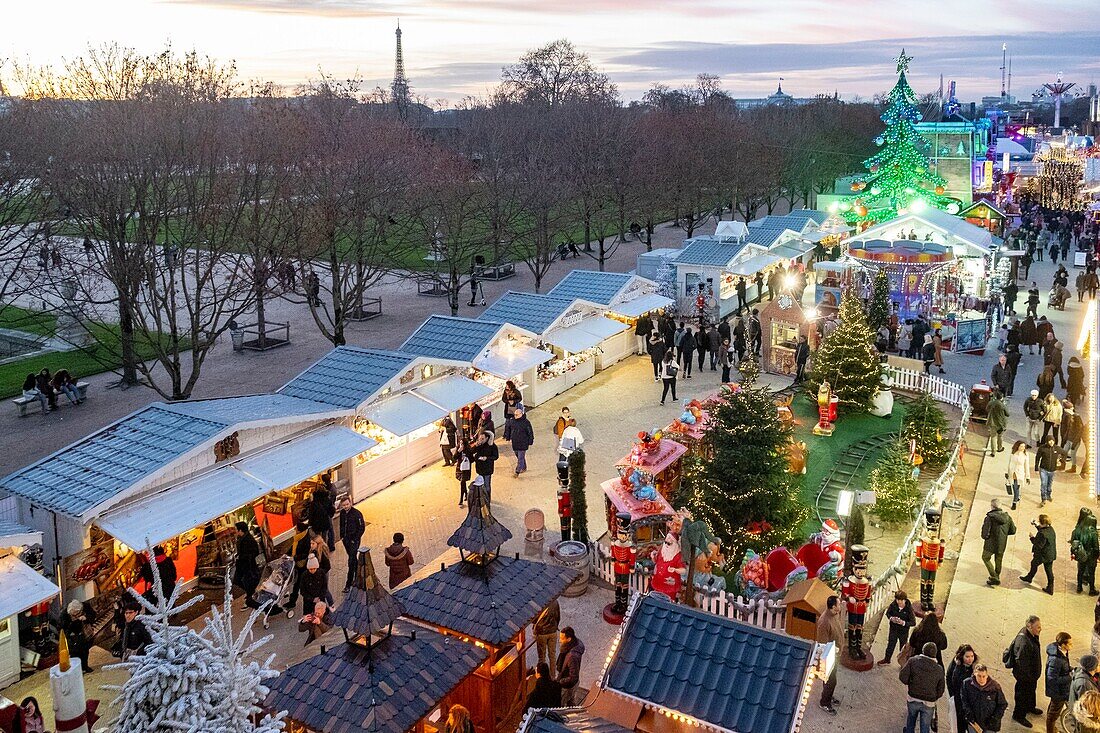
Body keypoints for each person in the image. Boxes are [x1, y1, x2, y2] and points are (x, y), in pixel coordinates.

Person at [899, 641, 946, 733]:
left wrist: (911, 684)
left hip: (913, 697)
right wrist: (934, 696)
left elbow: (903, 677)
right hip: (929, 702)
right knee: (925, 726)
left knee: (911, 719)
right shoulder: (939, 669)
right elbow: (941, 689)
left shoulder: (913, 661)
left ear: (923, 651)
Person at [1008, 615, 1044, 728]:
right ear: (1029, 626)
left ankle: (1030, 707)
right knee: (1022, 695)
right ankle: (1019, 715)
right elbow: (1022, 664)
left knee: (1030, 692)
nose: (1040, 629)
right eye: (1037, 627)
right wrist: (1029, 677)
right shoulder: (1024, 642)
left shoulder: (1032, 634)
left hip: (1031, 676)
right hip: (1025, 677)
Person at [960, 664, 1009, 733]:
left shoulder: (995, 687)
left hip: (990, 725)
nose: (982, 679)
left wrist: (995, 718)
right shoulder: (967, 684)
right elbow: (964, 700)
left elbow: (1002, 704)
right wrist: (968, 713)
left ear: (987, 675)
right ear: (974, 674)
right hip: (974, 723)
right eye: (979, 676)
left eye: (984, 676)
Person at [816, 595, 844, 715]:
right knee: (831, 681)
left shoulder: (835, 614)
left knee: (830, 681)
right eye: (838, 604)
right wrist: (835, 651)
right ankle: (824, 703)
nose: (840, 605)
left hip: (836, 654)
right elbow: (822, 645)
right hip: (830, 656)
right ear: (833, 607)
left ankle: (828, 695)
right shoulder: (824, 622)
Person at [983, 497, 1017, 585]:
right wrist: (1004, 534)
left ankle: (994, 577)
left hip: (990, 544)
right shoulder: (1008, 517)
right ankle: (996, 576)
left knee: (985, 558)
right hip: (1002, 543)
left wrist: (985, 537)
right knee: (998, 560)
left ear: (992, 507)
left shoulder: (989, 517)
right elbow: (1013, 530)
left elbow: (984, 533)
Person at [1021, 514, 1058, 594]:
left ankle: (1029, 578)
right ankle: (1050, 587)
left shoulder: (1042, 534)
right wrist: (1036, 525)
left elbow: (1038, 545)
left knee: (1034, 563)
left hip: (1043, 555)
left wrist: (1032, 538)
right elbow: (1043, 531)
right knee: (1049, 570)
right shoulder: (1050, 529)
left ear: (1042, 523)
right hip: (1050, 554)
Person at [877, 590, 916, 664]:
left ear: (904, 600)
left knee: (903, 647)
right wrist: (891, 618)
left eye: (900, 600)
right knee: (890, 645)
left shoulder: (909, 609)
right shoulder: (893, 605)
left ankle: (903, 662)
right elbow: (888, 613)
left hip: (903, 631)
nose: (898, 602)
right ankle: (887, 659)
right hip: (893, 629)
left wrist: (903, 623)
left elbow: (913, 622)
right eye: (897, 600)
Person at [946, 645, 978, 733]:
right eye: (967, 657)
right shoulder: (957, 668)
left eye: (972, 656)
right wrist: (952, 695)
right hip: (959, 702)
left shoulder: (975, 669)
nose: (970, 659)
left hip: (971, 704)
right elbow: (949, 678)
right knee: (959, 725)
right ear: (962, 657)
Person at [60, 599, 97, 673]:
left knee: (85, 651)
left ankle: (85, 666)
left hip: (85, 634)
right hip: (73, 637)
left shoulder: (85, 606)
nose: (76, 615)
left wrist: (86, 618)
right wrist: (74, 622)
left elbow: (93, 615)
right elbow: (65, 629)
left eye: (78, 613)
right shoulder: (64, 615)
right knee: (75, 654)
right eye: (74, 614)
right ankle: (77, 669)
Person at [1047, 632, 1074, 733]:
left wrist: (1071, 669)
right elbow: (1052, 679)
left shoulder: (1063, 653)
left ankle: (1052, 728)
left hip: (1060, 690)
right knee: (1053, 714)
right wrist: (1069, 677)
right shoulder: (1056, 659)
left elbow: (1064, 668)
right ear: (1063, 645)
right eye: (1070, 644)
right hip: (1058, 691)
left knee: (1053, 710)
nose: (1072, 646)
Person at [338, 495, 365, 591]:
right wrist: (342, 536)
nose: (345, 506)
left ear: (350, 503)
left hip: (354, 540)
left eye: (347, 504)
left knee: (351, 560)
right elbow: (341, 524)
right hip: (346, 540)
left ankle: (348, 584)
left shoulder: (357, 514)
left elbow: (362, 527)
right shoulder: (342, 513)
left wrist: (355, 538)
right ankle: (360, 575)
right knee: (353, 560)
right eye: (344, 505)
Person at [233, 521, 262, 608]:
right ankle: (250, 594)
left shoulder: (249, 539)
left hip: (248, 566)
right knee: (237, 580)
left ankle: (250, 599)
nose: (235, 531)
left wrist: (243, 557)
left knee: (247, 582)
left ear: (240, 530)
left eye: (236, 529)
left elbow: (255, 552)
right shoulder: (240, 538)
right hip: (242, 565)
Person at [1073, 508, 1100, 596]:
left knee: (1080, 571)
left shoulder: (1077, 530)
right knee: (1091, 574)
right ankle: (1091, 590)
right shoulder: (1093, 533)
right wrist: (1097, 556)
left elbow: (1074, 541)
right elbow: (1096, 548)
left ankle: (1079, 587)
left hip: (1081, 555)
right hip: (1091, 556)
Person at [556, 626, 585, 707]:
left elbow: (573, 677)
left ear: (569, 639)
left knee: (560, 705)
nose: (559, 641)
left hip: (567, 686)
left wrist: (561, 681)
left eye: (562, 638)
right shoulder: (574, 644)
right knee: (571, 701)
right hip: (571, 684)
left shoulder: (572, 656)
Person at [1035, 438, 1065, 507]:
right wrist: (1036, 468)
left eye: (1053, 441)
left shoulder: (1056, 448)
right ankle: (1043, 499)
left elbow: (1064, 453)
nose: (1051, 442)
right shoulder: (1042, 448)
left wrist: (1061, 460)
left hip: (1052, 470)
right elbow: (1037, 458)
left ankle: (1048, 495)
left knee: (1049, 484)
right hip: (1043, 469)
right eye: (1050, 440)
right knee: (1043, 484)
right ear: (1047, 441)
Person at [308, 483, 336, 552]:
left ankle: (319, 551)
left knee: (317, 538)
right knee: (324, 537)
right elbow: (332, 510)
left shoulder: (314, 502)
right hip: (325, 522)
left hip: (316, 524)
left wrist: (310, 523)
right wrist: (329, 515)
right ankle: (324, 550)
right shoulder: (327, 499)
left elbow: (311, 514)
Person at [534, 597, 560, 668]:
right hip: (553, 632)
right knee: (552, 656)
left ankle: (542, 675)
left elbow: (534, 620)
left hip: (542, 633)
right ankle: (553, 676)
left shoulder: (539, 604)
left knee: (542, 657)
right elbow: (558, 616)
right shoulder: (555, 602)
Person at [474, 430, 499, 498]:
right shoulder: (478, 445)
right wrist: (475, 446)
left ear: (487, 438)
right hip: (479, 468)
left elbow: (496, 456)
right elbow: (473, 453)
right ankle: (483, 498)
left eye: (482, 439)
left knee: (487, 485)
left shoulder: (492, 446)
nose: (481, 440)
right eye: (480, 438)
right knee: (481, 485)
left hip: (488, 469)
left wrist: (487, 458)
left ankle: (487, 499)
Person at [510, 408, 535, 476]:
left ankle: (517, 471)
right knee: (518, 455)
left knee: (520, 457)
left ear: (521, 414)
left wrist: (530, 440)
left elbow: (530, 432)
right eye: (515, 414)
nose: (515, 416)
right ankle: (523, 467)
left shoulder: (526, 422)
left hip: (523, 442)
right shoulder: (513, 421)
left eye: (517, 415)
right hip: (515, 442)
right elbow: (510, 429)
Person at [1063, 402, 1085, 473]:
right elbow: (1069, 428)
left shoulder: (1077, 417)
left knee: (1073, 454)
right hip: (1069, 439)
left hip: (1074, 440)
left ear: (1071, 408)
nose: (1066, 410)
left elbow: (1080, 430)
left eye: (1067, 409)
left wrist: (1075, 442)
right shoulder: (1069, 416)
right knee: (1064, 451)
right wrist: (1065, 438)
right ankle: (1062, 465)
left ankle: (1073, 467)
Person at [986, 389, 1008, 455]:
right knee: (1000, 436)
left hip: (992, 422)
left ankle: (993, 452)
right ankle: (999, 448)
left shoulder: (991, 402)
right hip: (1000, 423)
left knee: (993, 437)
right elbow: (1007, 414)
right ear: (1002, 397)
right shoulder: (1002, 405)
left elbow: (987, 409)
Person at [455, 439, 473, 506]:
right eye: (460, 443)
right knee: (463, 483)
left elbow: (472, 460)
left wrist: (467, 456)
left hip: (466, 469)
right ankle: (465, 494)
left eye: (462, 444)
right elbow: (454, 458)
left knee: (462, 482)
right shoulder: (458, 448)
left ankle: (461, 498)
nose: (461, 445)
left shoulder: (468, 450)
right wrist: (458, 452)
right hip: (460, 468)